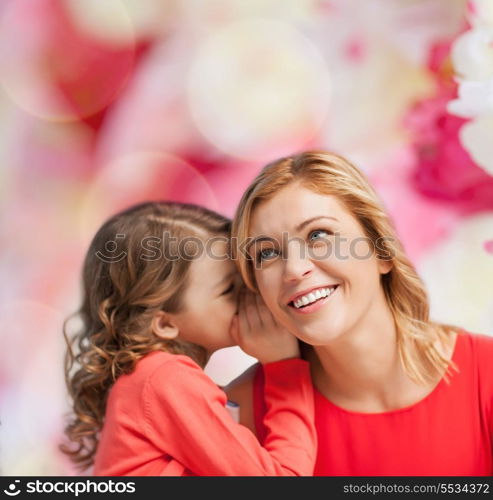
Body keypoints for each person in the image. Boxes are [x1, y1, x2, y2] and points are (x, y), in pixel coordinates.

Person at [227, 150, 493, 475]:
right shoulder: (242, 410)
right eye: (266, 253)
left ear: (382, 252)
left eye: (318, 235)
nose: (294, 270)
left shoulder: (485, 375)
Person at [61, 201, 317, 476]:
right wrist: (284, 367)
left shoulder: (147, 379)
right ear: (163, 323)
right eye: (230, 288)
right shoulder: (165, 378)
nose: (251, 292)